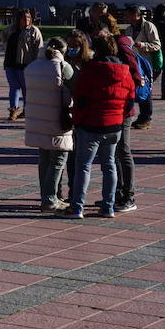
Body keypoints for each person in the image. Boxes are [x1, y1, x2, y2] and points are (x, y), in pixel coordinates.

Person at [62, 34, 135, 219]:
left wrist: (78, 121)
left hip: (91, 124)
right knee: (109, 165)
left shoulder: (90, 70)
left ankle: (77, 206)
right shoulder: (125, 72)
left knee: (83, 166)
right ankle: (108, 206)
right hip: (114, 125)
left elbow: (81, 100)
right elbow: (129, 102)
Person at [24, 37, 74, 212]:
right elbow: (71, 91)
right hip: (57, 119)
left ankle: (46, 196)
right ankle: (50, 198)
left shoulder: (32, 67)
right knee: (59, 159)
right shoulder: (62, 67)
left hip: (37, 119)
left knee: (44, 158)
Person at [113, 35, 148, 213]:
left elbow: (135, 79)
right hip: (118, 110)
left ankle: (128, 195)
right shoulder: (120, 49)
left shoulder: (123, 50)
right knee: (116, 153)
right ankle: (118, 193)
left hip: (124, 110)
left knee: (123, 151)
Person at [0, 9, 43, 121]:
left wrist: (37, 64)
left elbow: (39, 48)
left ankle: (27, 111)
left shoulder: (34, 31)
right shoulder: (12, 30)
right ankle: (13, 110)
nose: (26, 20)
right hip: (10, 63)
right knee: (13, 88)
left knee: (26, 89)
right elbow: (3, 35)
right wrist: (5, 46)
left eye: (28, 18)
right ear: (18, 19)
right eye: (24, 18)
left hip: (26, 65)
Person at [125, 6, 161, 129]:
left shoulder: (148, 26)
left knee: (146, 91)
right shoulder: (129, 29)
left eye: (129, 15)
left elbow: (157, 45)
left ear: (137, 15)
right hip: (134, 64)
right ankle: (142, 116)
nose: (127, 18)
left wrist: (143, 45)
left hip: (147, 65)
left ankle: (146, 118)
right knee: (138, 90)